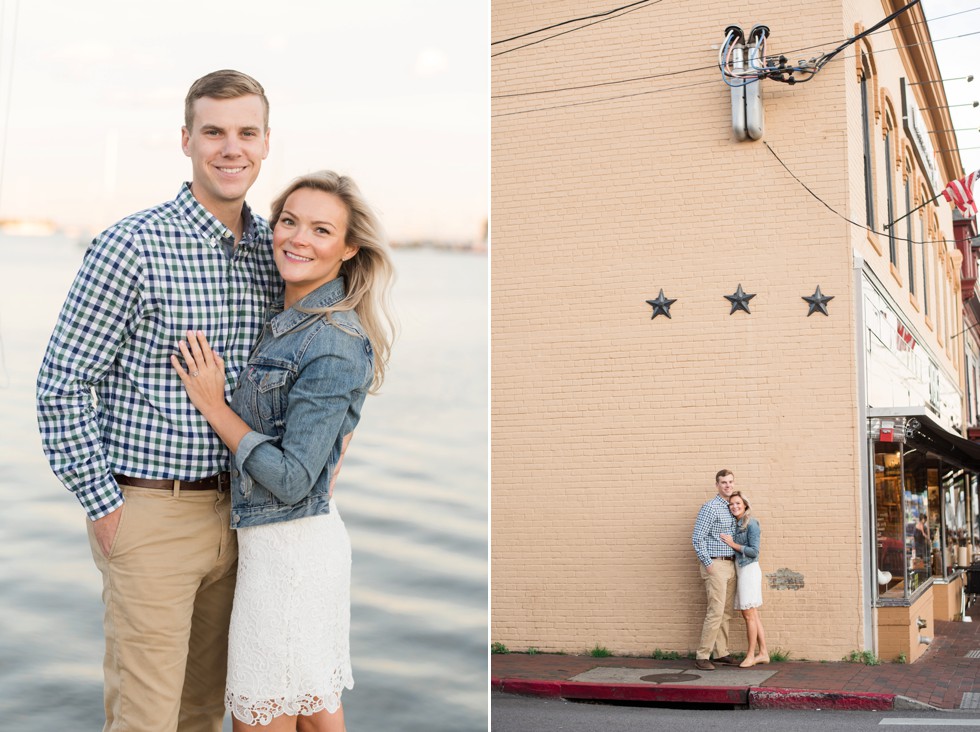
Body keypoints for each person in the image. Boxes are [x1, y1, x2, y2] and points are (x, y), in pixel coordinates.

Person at [36, 70, 277, 732]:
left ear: (265, 143)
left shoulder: (270, 253)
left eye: (246, 133)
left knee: (205, 711)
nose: (231, 148)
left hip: (242, 518)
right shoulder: (132, 244)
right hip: (149, 515)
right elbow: (62, 383)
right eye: (214, 132)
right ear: (186, 140)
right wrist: (106, 507)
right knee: (145, 719)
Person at [171, 170, 396, 731]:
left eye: (321, 230)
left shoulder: (332, 340)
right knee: (314, 710)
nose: (297, 238)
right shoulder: (286, 323)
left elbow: (294, 478)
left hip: (291, 553)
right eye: (289, 221)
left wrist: (213, 404)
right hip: (281, 545)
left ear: (348, 249)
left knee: (260, 716)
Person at [691, 469, 739, 670]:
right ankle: (703, 655)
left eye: (730, 482)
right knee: (715, 610)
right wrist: (708, 563)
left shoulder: (733, 507)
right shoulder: (710, 508)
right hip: (715, 564)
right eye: (723, 482)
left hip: (730, 564)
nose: (727, 485)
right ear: (717, 485)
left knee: (726, 612)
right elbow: (697, 538)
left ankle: (721, 653)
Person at [720, 491, 770, 668]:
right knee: (752, 614)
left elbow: (754, 551)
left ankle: (750, 655)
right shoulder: (735, 524)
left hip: (749, 570)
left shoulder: (751, 523)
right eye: (731, 504)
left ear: (745, 505)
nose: (734, 506)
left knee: (748, 615)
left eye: (738, 503)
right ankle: (763, 653)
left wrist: (733, 544)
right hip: (741, 570)